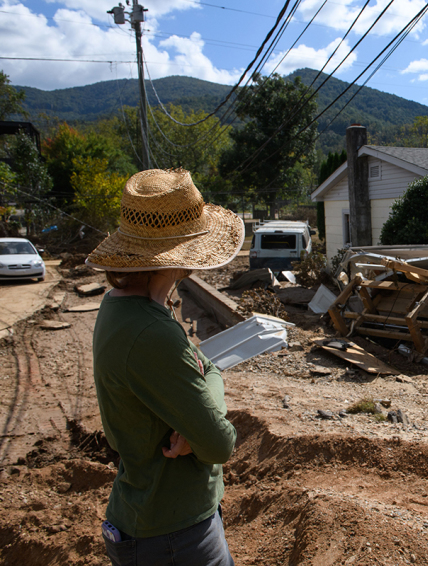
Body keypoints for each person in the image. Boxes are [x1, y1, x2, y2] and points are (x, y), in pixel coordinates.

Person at [86, 169, 245, 565]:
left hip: (160, 523)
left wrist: (199, 418)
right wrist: (202, 424)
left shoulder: (127, 306)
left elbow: (208, 369)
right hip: (173, 537)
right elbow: (220, 442)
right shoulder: (150, 332)